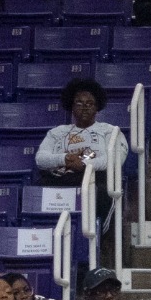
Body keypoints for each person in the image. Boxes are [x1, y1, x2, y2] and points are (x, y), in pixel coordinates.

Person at [35, 77, 118, 220]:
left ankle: (97, 231)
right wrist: (65, 158)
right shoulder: (57, 132)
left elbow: (111, 159)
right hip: (61, 178)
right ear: (71, 106)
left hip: (93, 178)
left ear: (97, 106)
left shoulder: (109, 131)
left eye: (89, 103)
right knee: (36, 189)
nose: (84, 107)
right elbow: (40, 159)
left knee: (104, 189)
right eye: (79, 103)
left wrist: (84, 164)